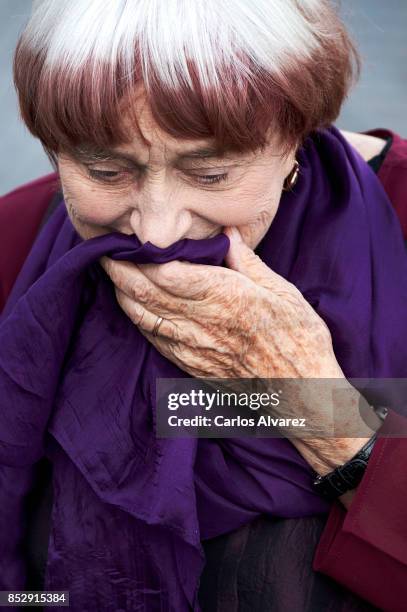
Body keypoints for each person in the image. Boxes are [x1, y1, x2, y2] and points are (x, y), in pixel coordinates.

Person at [1, 1, 407, 610]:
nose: (158, 232)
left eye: (211, 173)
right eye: (105, 168)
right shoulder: (14, 239)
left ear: (294, 133)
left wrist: (310, 398)